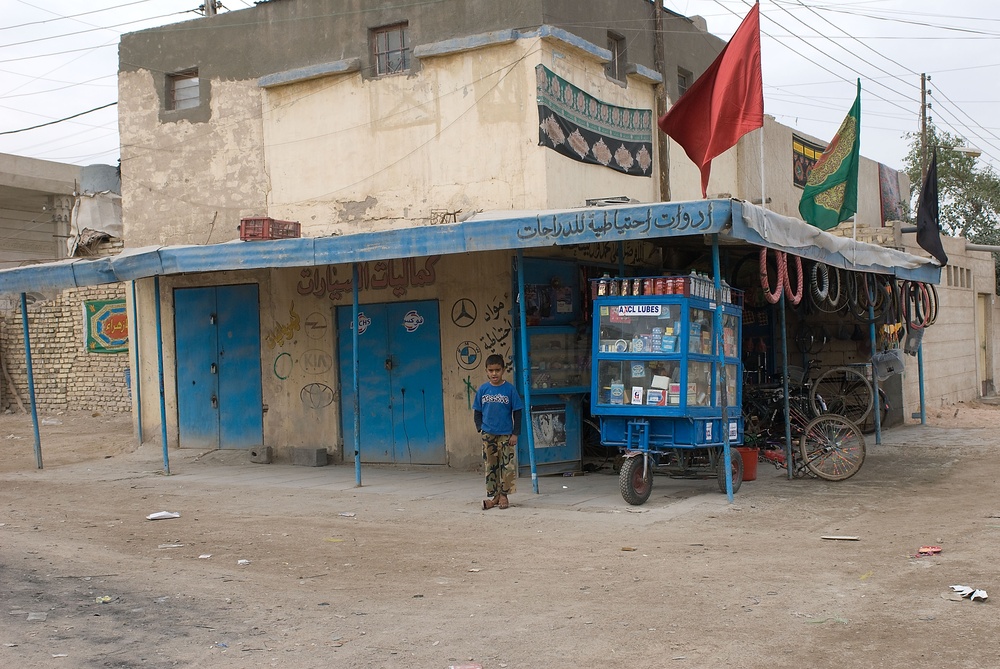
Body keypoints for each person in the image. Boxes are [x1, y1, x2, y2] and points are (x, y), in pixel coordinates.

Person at [473, 354, 523, 510]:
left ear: (503, 370)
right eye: (491, 370)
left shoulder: (510, 389)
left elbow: (518, 412)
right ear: (486, 371)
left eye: (497, 370)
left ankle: (504, 496)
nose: (494, 373)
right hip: (488, 434)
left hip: (506, 435)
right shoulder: (483, 389)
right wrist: (480, 427)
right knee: (491, 465)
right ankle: (494, 496)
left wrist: (515, 433)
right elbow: (477, 411)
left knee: (506, 465)